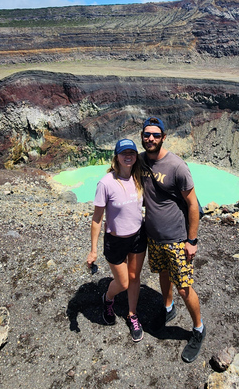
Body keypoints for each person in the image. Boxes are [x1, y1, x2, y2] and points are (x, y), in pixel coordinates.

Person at [139, 116, 205, 363]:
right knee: (163, 274)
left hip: (177, 239)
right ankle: (168, 308)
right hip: (154, 238)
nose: (151, 139)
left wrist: (192, 241)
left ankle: (198, 328)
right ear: (142, 136)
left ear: (164, 137)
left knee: (184, 286)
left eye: (156, 135)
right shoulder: (141, 161)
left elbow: (192, 205)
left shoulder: (177, 166)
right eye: (147, 134)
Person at [86, 138, 146, 342]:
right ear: (116, 157)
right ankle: (108, 298)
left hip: (138, 237)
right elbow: (97, 219)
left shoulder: (139, 177)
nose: (128, 156)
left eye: (131, 152)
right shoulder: (106, 183)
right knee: (123, 282)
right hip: (115, 240)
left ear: (136, 156)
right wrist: (93, 250)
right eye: (123, 153)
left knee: (135, 278)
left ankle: (132, 314)